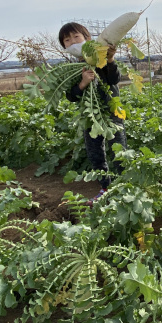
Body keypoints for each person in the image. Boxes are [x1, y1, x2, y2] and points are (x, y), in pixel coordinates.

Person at [59, 22, 127, 205]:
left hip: (112, 112)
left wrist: (110, 60)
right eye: (67, 40)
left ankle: (126, 189)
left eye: (76, 37)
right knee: (95, 154)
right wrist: (82, 83)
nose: (72, 41)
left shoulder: (101, 57)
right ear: (64, 46)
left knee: (119, 151)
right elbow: (71, 95)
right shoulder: (72, 70)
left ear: (87, 39)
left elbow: (114, 79)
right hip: (90, 117)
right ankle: (105, 189)